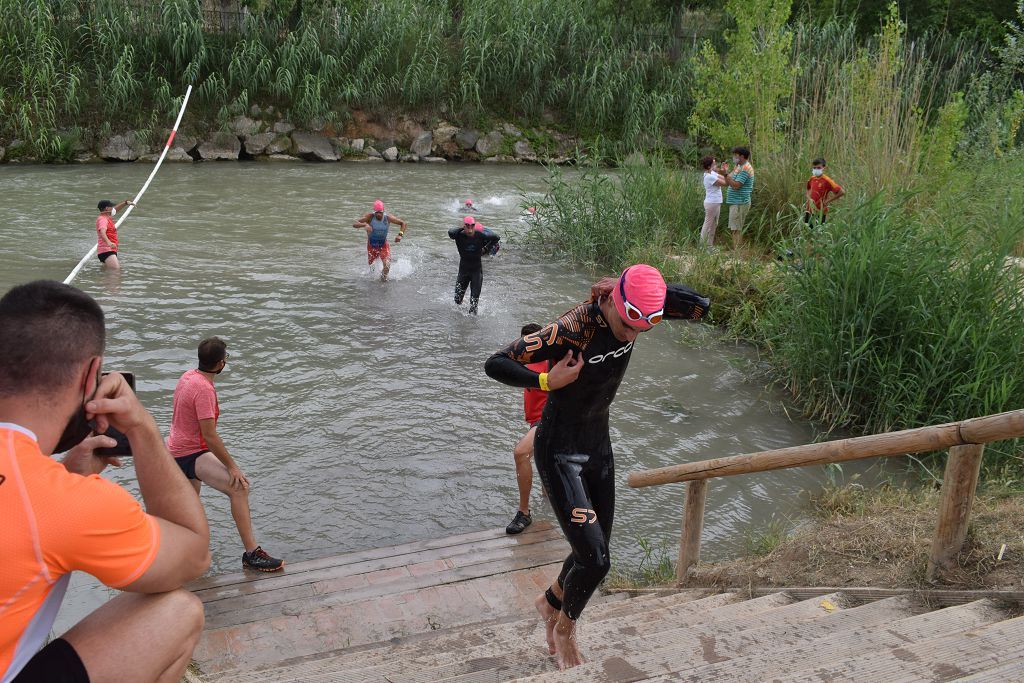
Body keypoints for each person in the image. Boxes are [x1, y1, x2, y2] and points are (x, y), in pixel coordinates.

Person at [484, 266, 709, 670]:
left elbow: (696, 307)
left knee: (594, 549)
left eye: (644, 329)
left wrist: (661, 293)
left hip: (598, 446)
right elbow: (496, 363)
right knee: (596, 560)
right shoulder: (573, 328)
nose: (631, 335)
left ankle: (548, 602)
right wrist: (548, 382)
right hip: (559, 451)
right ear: (611, 303)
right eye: (627, 324)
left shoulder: (639, 308)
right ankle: (566, 629)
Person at [0, 280, 210, 683]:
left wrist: (59, 476)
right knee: (178, 611)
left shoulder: (53, 490)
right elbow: (192, 554)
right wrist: (144, 428)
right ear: (92, 374)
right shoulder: (68, 502)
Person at [167, 337, 284, 571]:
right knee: (239, 488)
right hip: (190, 453)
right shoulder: (204, 389)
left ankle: (180, 558)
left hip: (174, 449)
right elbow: (209, 435)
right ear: (221, 364)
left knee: (189, 510)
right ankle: (252, 553)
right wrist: (232, 466)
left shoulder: (187, 377)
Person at [505, 323, 548, 535]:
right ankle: (550, 518)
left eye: (530, 344)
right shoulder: (522, 362)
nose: (525, 348)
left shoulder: (551, 362)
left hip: (550, 419)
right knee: (548, 478)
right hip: (537, 422)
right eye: (523, 344)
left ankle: (524, 513)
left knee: (521, 453)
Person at [448, 216, 500, 315]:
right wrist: (462, 228)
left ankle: (473, 326)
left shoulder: (480, 235)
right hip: (463, 270)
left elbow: (496, 238)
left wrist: (486, 249)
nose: (470, 229)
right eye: (467, 226)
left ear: (475, 226)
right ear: (464, 226)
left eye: (472, 226)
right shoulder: (459, 235)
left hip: (476, 271)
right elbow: (450, 232)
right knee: (457, 301)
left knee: (474, 304)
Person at [352, 200, 408, 281]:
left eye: (380, 212)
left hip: (383, 245)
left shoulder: (388, 218)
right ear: (374, 212)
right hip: (371, 245)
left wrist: (400, 235)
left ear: (383, 211)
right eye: (376, 212)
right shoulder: (370, 217)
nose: (378, 214)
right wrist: (364, 224)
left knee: (387, 266)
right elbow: (355, 224)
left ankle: (383, 282)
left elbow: (403, 223)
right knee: (372, 270)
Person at [720, 146, 755, 250]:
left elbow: (735, 185)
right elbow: (727, 182)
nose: (734, 157)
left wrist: (726, 174)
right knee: (735, 228)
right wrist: (725, 172)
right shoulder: (738, 166)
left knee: (736, 229)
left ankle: (737, 253)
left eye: (736, 155)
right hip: (735, 202)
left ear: (742, 156)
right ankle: (737, 251)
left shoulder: (745, 168)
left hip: (740, 202)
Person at [804, 157, 845, 227]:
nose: (816, 170)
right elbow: (808, 189)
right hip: (809, 210)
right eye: (814, 168)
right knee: (807, 231)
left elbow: (842, 192)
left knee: (818, 234)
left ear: (824, 168)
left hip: (820, 212)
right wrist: (808, 198)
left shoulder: (827, 180)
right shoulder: (812, 178)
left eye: (819, 168)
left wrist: (828, 201)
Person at [95, 198, 134, 270]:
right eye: (111, 206)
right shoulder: (103, 219)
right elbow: (102, 232)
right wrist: (109, 243)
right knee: (116, 271)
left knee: (107, 272)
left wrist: (125, 203)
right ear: (107, 208)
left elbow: (115, 210)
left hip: (109, 250)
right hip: (106, 250)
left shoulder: (107, 216)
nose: (113, 208)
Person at [699, 156, 727, 247]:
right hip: (712, 203)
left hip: (716, 202)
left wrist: (723, 171)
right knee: (707, 225)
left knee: (713, 225)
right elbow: (725, 183)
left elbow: (723, 178)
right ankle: (703, 246)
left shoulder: (712, 173)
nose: (715, 165)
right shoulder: (709, 177)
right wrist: (725, 174)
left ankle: (709, 246)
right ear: (708, 166)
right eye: (714, 164)